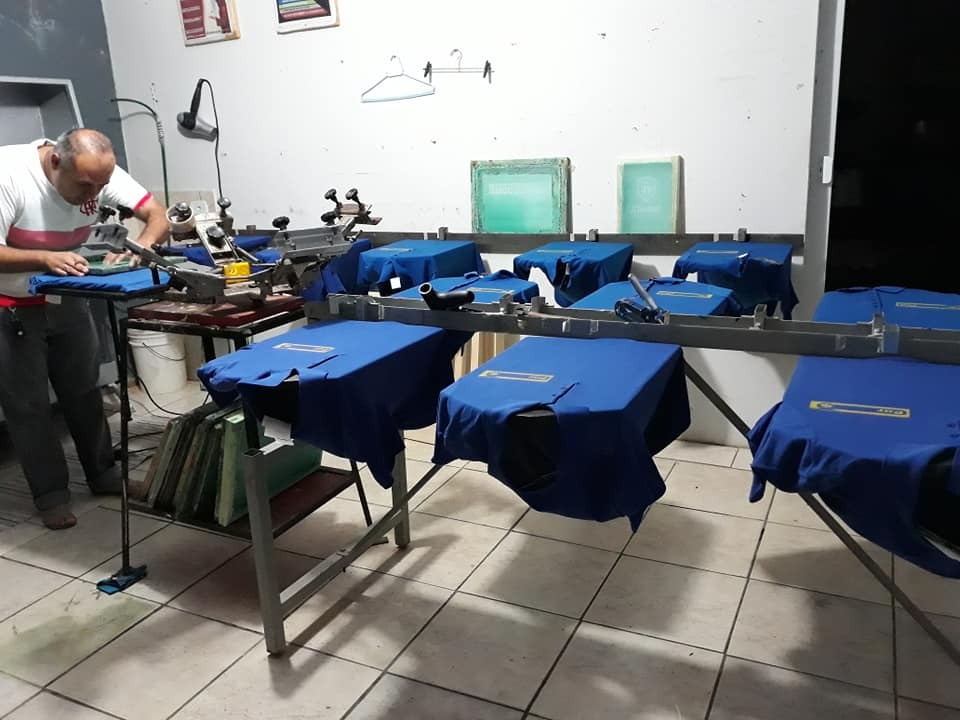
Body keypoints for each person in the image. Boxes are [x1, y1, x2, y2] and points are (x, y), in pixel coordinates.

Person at [0, 128, 169, 529]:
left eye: (101, 185)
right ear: (56, 162)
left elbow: (157, 214)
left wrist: (141, 248)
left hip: (67, 297)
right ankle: (51, 496)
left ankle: (104, 474)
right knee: (28, 406)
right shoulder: (9, 174)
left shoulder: (96, 170)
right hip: (11, 305)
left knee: (85, 391)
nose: (93, 195)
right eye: (84, 186)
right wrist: (44, 258)